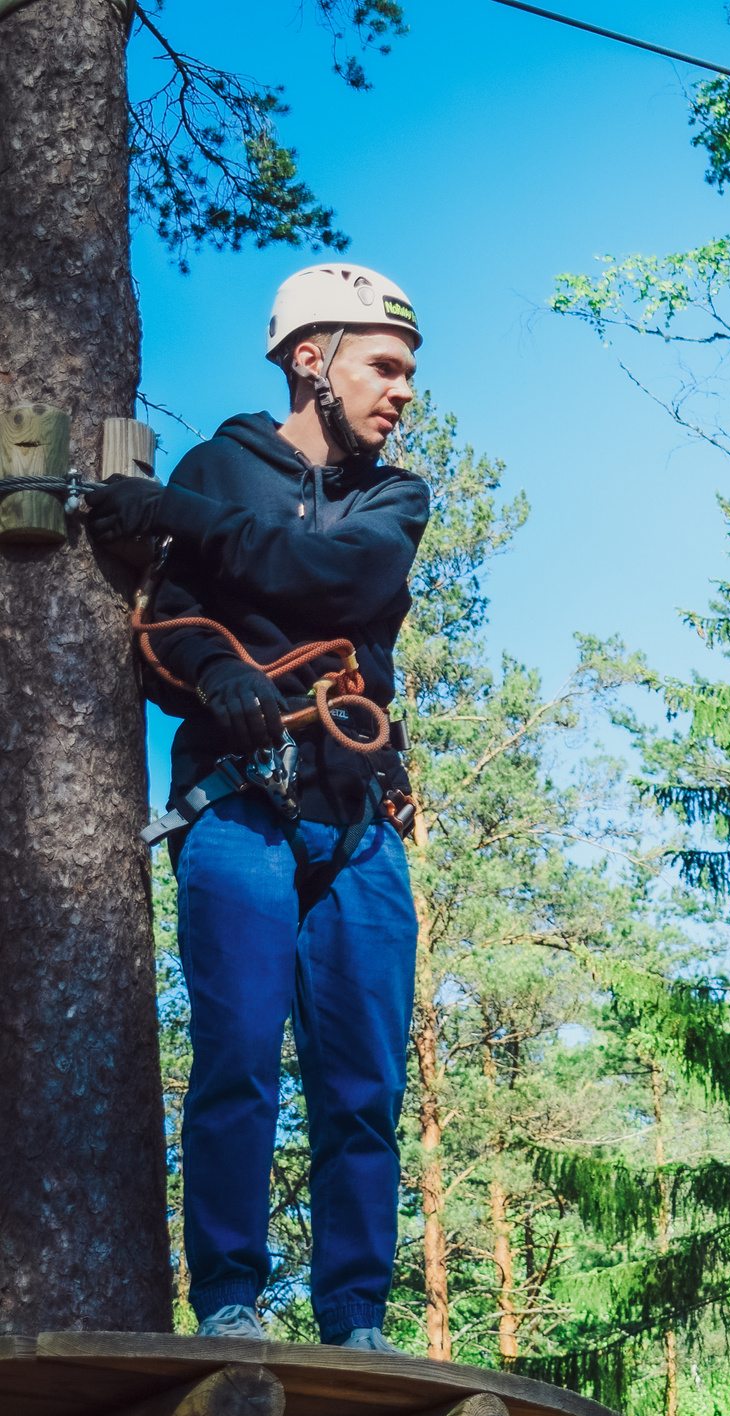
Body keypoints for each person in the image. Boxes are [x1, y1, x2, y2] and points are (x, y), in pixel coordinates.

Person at [84, 263, 426, 1354]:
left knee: (364, 1082)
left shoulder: (394, 498)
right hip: (238, 805)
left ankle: (355, 1322)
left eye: (409, 373)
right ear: (308, 360)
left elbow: (340, 586)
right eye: (385, 366)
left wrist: (182, 518)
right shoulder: (221, 465)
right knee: (236, 1056)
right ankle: (230, 1302)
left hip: (356, 814)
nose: (403, 391)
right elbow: (165, 625)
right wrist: (212, 672)